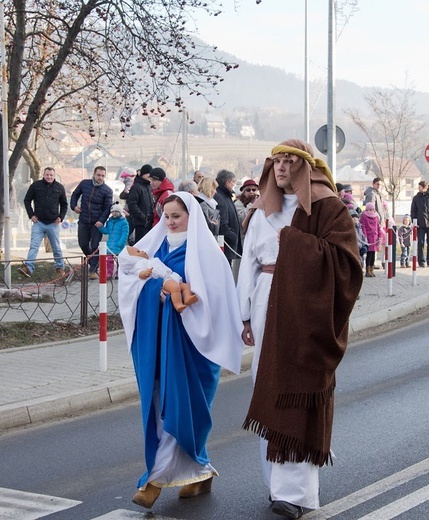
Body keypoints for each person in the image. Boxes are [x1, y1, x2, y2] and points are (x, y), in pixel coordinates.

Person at [237, 139, 362, 518]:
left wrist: (294, 244)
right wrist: (244, 314)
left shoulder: (329, 209)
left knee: (300, 392)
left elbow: (346, 264)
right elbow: (250, 264)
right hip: (265, 304)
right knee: (269, 386)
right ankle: (277, 486)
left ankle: (296, 495)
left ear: (306, 168)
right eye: (276, 162)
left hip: (306, 311)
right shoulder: (261, 212)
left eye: (290, 161)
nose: (281, 168)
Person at [118, 192, 243, 510]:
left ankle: (154, 482)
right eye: (167, 216)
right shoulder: (156, 247)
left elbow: (212, 300)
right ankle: (198, 472)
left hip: (194, 349)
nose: (171, 221)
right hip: (161, 343)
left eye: (177, 216)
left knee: (183, 409)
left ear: (192, 217)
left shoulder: (206, 254)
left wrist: (178, 295)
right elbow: (133, 280)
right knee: (165, 406)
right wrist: (154, 289)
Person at [18, 167, 68, 278]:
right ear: (43, 175)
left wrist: (61, 217)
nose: (49, 177)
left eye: (51, 175)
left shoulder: (59, 188)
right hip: (39, 222)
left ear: (54, 176)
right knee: (34, 245)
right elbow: (27, 200)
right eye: (47, 175)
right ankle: (28, 268)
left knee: (56, 247)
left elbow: (64, 204)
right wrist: (31, 215)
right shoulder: (36, 186)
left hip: (53, 223)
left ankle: (60, 267)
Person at [122, 245, 198, 312]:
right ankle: (178, 304)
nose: (142, 251)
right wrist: (145, 273)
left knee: (186, 286)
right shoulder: (139, 264)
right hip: (165, 280)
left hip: (172, 276)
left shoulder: (150, 260)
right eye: (138, 252)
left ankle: (187, 297)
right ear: (132, 259)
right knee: (175, 288)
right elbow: (139, 273)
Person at [70, 165, 113, 279]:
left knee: (95, 246)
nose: (100, 177)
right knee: (83, 243)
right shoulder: (84, 183)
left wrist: (101, 220)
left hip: (96, 223)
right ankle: (92, 262)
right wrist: (74, 206)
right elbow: (75, 195)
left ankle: (92, 270)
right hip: (83, 219)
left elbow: (107, 208)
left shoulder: (107, 190)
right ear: (94, 174)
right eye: (98, 175)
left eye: (103, 176)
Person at [214, 169, 242, 265]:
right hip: (224, 245)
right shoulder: (219, 197)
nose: (233, 185)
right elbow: (219, 223)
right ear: (227, 182)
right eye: (233, 182)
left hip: (226, 245)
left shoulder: (224, 195)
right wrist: (233, 236)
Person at [98, 202, 129, 279]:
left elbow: (125, 234)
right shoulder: (109, 222)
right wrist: (100, 227)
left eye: (116, 212)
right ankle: (109, 273)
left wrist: (121, 243)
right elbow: (107, 231)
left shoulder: (124, 222)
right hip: (110, 245)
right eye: (113, 212)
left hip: (119, 245)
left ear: (120, 212)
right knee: (109, 260)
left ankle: (119, 273)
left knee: (120, 261)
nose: (114, 213)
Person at [127, 164, 154, 243]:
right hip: (140, 223)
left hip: (150, 222)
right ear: (143, 174)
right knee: (140, 244)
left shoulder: (149, 186)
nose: (150, 176)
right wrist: (143, 217)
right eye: (148, 174)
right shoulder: (136, 187)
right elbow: (132, 204)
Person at [360, 202, 382, 277]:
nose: (372, 211)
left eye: (373, 209)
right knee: (369, 255)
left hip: (375, 238)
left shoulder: (376, 216)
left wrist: (380, 236)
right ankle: (368, 270)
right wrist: (365, 237)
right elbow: (363, 227)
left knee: (373, 254)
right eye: (370, 209)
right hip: (368, 238)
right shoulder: (364, 216)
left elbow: (378, 227)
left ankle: (372, 270)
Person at [410, 180, 429, 268]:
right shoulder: (416, 198)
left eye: (420, 187)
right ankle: (421, 261)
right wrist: (414, 221)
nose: (419, 188)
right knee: (420, 242)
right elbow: (413, 211)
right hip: (420, 224)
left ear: (425, 187)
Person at [119, 169, 136, 242]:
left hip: (130, 211)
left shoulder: (130, 183)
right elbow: (123, 195)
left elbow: (123, 195)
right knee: (129, 229)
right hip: (130, 212)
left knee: (128, 230)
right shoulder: (133, 183)